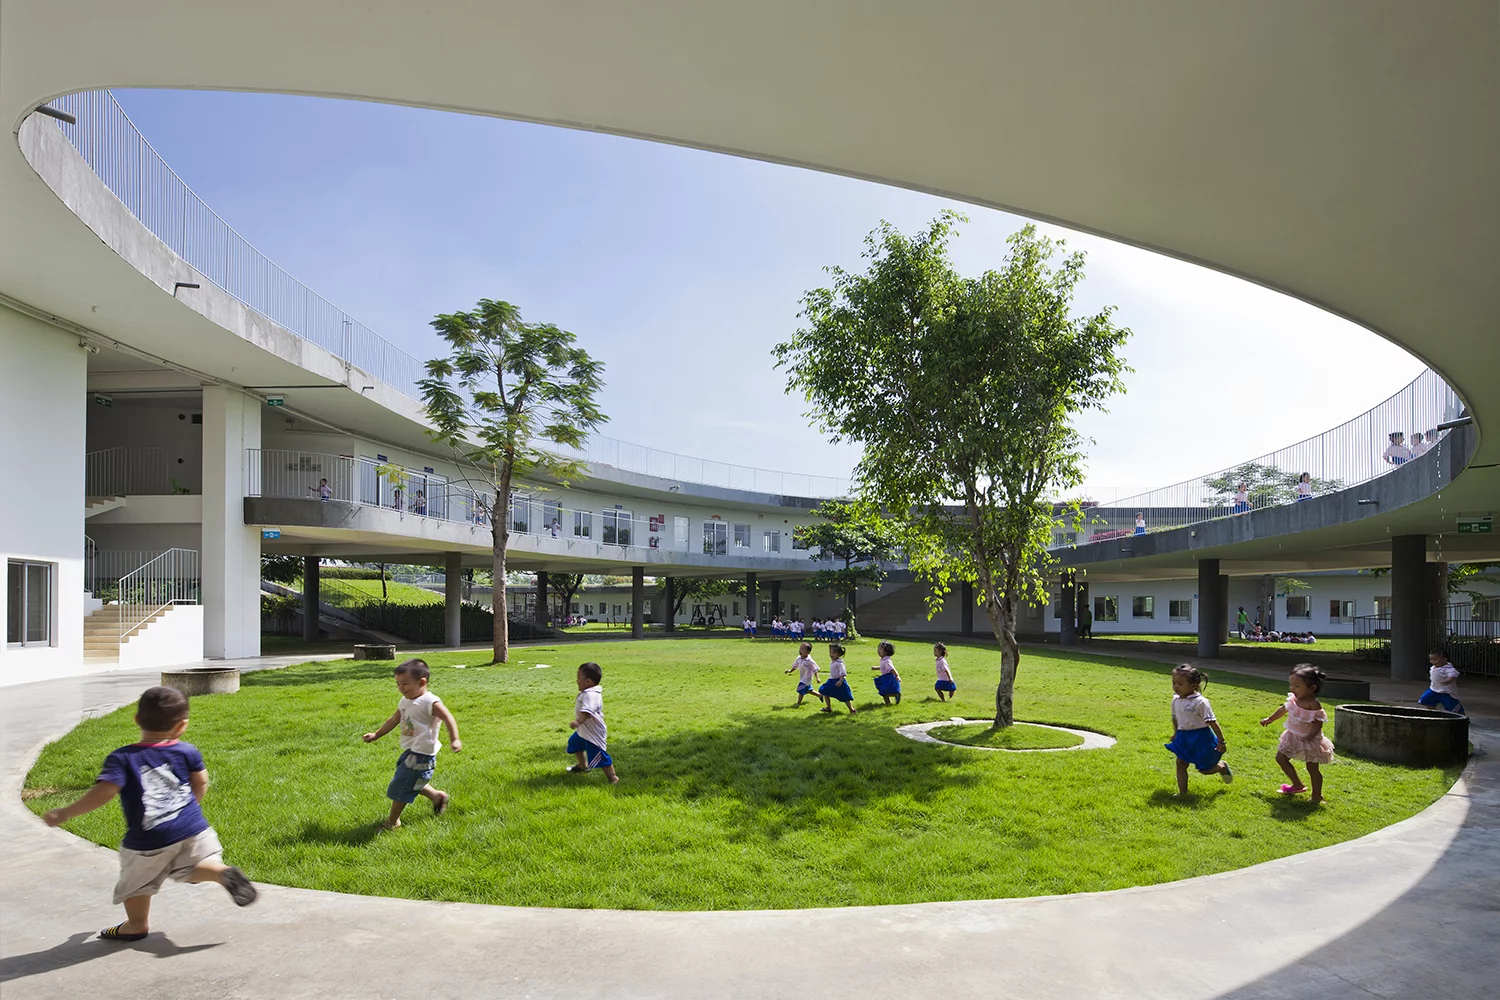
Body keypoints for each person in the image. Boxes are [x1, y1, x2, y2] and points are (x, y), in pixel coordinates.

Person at [42, 686, 259, 941]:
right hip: (194, 829)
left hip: (148, 840)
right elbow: (201, 782)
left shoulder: (123, 757)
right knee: (195, 866)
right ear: (182, 726)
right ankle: (222, 873)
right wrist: (192, 806)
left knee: (136, 884)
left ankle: (136, 925)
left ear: (136, 720)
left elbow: (105, 792)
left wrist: (66, 813)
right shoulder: (187, 751)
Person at [362, 659, 461, 830]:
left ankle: (393, 822)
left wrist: (455, 739)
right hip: (410, 751)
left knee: (401, 786)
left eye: (405, 683)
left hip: (422, 753)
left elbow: (448, 718)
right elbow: (394, 719)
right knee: (412, 781)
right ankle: (438, 797)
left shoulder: (430, 702)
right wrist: (377, 734)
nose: (401, 688)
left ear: (422, 682)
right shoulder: (405, 701)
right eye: (398, 683)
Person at [1260, 664, 1335, 803]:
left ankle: (1317, 795)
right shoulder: (1294, 699)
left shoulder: (1314, 704)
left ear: (1312, 687)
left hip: (1310, 740)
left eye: (1296, 686)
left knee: (1312, 768)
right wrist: (1270, 719)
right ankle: (1297, 784)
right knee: (1281, 758)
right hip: (1293, 736)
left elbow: (1318, 722)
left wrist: (1311, 736)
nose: (1292, 689)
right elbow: (1283, 709)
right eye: (1291, 685)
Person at [1163, 664, 1233, 794]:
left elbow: (1212, 722)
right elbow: (1175, 717)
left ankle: (1221, 767)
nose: (1175, 687)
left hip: (1201, 738)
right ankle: (1183, 793)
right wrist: (1176, 732)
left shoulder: (1200, 702)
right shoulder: (1175, 700)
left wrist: (1221, 741)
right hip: (1183, 737)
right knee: (1181, 764)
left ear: (1193, 685)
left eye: (1180, 684)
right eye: (1174, 683)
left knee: (1204, 769)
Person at [566, 661, 618, 783]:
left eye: (579, 678)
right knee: (574, 743)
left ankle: (613, 777)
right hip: (583, 732)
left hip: (593, 733)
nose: (577, 681)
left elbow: (588, 711)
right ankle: (583, 765)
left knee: (600, 756)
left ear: (588, 682)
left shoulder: (591, 695)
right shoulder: (588, 693)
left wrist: (578, 722)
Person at [1417, 647, 1465, 714]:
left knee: (1452, 707)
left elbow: (1453, 675)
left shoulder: (1448, 668)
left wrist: (1448, 680)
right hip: (1434, 690)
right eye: (1431, 660)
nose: (1433, 662)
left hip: (1446, 692)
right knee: (1425, 699)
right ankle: (1434, 713)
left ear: (1444, 660)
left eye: (1435, 660)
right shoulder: (1434, 667)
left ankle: (1462, 717)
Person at [818, 643, 857, 714]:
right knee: (824, 691)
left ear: (839, 654)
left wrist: (841, 680)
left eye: (833, 653)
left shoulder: (840, 663)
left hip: (839, 682)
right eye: (830, 652)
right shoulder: (834, 661)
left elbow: (843, 673)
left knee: (845, 697)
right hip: (831, 680)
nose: (831, 654)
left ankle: (851, 709)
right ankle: (828, 707)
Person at [785, 642, 821, 706]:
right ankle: (820, 695)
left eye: (803, 649)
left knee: (800, 689)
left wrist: (817, 678)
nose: (800, 650)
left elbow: (815, 670)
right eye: (800, 648)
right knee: (808, 690)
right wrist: (790, 671)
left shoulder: (810, 661)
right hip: (802, 677)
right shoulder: (798, 658)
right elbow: (795, 666)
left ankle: (798, 703)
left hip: (807, 678)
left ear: (808, 652)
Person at [871, 641, 902, 705]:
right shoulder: (883, 659)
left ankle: (896, 695)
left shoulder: (887, 661)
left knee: (885, 691)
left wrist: (897, 675)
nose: (878, 651)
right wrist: (876, 668)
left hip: (889, 678)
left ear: (886, 651)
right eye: (878, 648)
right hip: (885, 677)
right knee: (883, 692)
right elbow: (883, 667)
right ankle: (888, 704)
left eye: (880, 649)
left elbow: (892, 668)